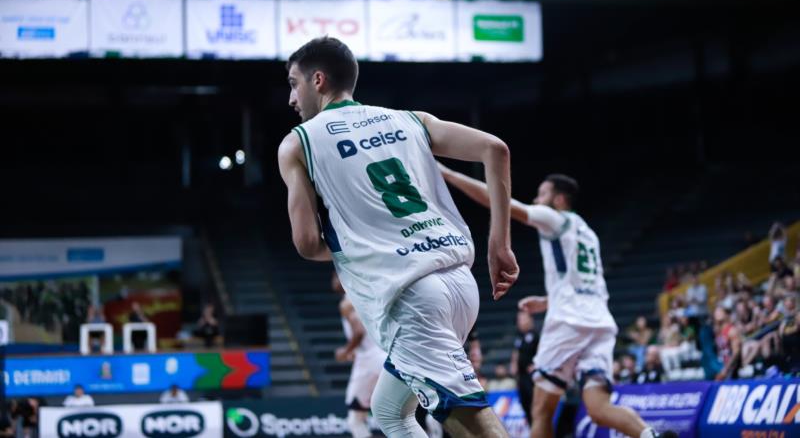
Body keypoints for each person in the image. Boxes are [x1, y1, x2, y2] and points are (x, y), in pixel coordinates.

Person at [278, 37, 519, 438]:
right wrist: (500, 243)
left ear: (317, 80)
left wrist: (361, 249)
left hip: (411, 296)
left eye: (293, 83)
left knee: (470, 423)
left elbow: (306, 243)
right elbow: (495, 149)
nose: (291, 97)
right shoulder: (412, 119)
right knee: (389, 410)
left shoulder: (298, 143)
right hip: (460, 281)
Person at [437, 167, 676, 438]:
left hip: (569, 322)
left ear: (559, 200)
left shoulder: (556, 219)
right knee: (599, 407)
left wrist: (448, 174)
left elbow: (501, 201)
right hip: (599, 321)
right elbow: (587, 284)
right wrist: (548, 301)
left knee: (541, 409)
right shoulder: (588, 233)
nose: (537, 201)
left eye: (542, 195)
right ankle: (649, 435)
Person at [333, 272, 387, 438]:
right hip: (386, 356)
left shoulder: (347, 303)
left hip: (370, 361)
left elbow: (358, 332)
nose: (334, 280)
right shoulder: (370, 297)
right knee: (402, 415)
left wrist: (346, 351)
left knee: (355, 418)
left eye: (337, 275)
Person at [509, 310, 538, 427]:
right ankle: (533, 430)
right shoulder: (519, 338)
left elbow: (542, 351)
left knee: (534, 407)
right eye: (518, 319)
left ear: (530, 319)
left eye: (522, 319)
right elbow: (516, 353)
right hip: (521, 378)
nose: (519, 322)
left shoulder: (536, 335)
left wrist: (537, 365)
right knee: (525, 405)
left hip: (532, 378)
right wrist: (513, 364)